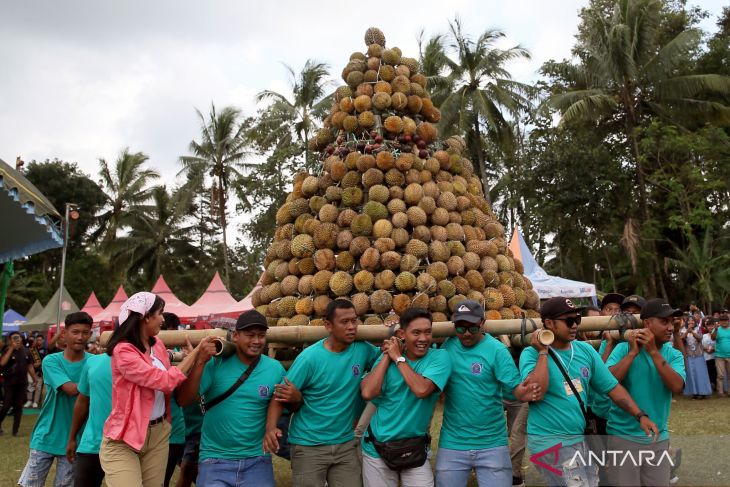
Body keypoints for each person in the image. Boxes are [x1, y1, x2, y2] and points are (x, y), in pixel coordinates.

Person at [520, 297, 658, 487]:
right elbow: (537, 392)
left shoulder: (585, 350)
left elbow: (613, 388)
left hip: (578, 439)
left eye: (577, 319)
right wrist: (543, 352)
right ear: (549, 323)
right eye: (569, 321)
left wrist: (640, 415)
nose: (575, 325)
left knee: (592, 482)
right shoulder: (531, 354)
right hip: (549, 444)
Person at [99, 292, 215, 487]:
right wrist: (195, 353)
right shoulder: (123, 350)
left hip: (159, 433)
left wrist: (191, 361)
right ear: (144, 317)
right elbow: (164, 381)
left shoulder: (158, 345)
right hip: (124, 439)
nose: (163, 319)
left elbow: (174, 384)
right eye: (160, 313)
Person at [264, 299, 379, 487]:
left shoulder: (362, 349)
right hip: (309, 445)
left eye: (354, 321)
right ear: (328, 325)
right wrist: (271, 428)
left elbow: (383, 356)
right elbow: (280, 395)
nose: (351, 327)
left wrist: (393, 328)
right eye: (344, 322)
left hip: (345, 444)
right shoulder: (310, 358)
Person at [436, 300, 539, 487]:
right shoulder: (446, 348)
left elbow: (515, 389)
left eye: (472, 328)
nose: (466, 333)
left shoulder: (497, 350)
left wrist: (524, 392)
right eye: (460, 328)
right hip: (453, 442)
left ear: (482, 323)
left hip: (492, 443)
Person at [177, 309, 285, 487]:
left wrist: (272, 426)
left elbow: (279, 400)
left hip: (257, 460)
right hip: (215, 460)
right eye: (250, 335)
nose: (257, 341)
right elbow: (184, 400)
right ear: (235, 336)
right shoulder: (215, 363)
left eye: (261, 335)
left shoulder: (275, 369)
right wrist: (200, 361)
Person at [360, 307, 452, 487]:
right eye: (416, 333)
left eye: (428, 332)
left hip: (415, 447)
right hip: (377, 447)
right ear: (402, 334)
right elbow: (368, 392)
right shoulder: (387, 358)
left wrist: (399, 359)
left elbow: (421, 390)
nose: (423, 339)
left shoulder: (439, 358)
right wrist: (388, 357)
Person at [606, 298, 686, 486]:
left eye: (671, 322)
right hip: (623, 437)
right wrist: (633, 354)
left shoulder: (674, 354)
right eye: (664, 321)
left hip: (658, 438)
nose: (669, 327)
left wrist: (653, 352)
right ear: (647, 323)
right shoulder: (623, 348)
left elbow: (677, 387)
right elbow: (608, 383)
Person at [18, 312, 93, 487]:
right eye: (75, 332)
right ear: (64, 333)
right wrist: (95, 375)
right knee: (30, 485)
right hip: (46, 435)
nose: (80, 337)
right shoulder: (51, 361)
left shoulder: (94, 362)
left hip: (76, 439)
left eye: (85, 332)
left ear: (90, 334)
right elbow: (71, 390)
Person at [66, 349, 112, 487]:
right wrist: (72, 438)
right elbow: (82, 401)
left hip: (127, 445)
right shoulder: (94, 362)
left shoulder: (144, 362)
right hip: (92, 445)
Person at [0, 331, 39, 436]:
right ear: (10, 340)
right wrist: (11, 348)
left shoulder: (26, 351)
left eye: (18, 337)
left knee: (18, 407)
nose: (17, 340)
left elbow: (29, 366)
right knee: (6, 406)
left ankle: (15, 431)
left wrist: (35, 379)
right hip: (9, 383)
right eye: (14, 338)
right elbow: (2, 363)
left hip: (22, 383)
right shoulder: (7, 350)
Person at [681, 316, 712, 399]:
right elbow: (681, 339)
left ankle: (703, 392)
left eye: (692, 321)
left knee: (700, 374)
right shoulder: (683, 330)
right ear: (687, 322)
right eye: (689, 321)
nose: (691, 322)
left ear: (695, 322)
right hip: (689, 355)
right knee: (691, 374)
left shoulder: (698, 329)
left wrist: (693, 332)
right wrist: (688, 331)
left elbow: (699, 338)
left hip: (698, 355)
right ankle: (694, 393)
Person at [711, 314, 730, 397]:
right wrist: (715, 329)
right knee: (720, 375)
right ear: (720, 322)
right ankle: (720, 392)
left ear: (728, 321)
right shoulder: (716, 329)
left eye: (726, 320)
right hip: (719, 356)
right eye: (722, 321)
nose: (724, 322)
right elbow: (713, 338)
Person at [25, 335, 45, 408]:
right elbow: (28, 360)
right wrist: (33, 364)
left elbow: (47, 359)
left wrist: (40, 363)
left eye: (40, 340)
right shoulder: (31, 349)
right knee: (29, 385)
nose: (38, 341)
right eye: (37, 340)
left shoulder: (45, 349)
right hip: (31, 371)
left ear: (43, 341)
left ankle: (35, 402)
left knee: (38, 387)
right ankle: (29, 400)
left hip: (40, 371)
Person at [702, 319, 717, 392]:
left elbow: (719, 344)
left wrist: (713, 350)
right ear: (706, 327)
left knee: (716, 372)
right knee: (709, 372)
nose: (710, 327)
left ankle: (716, 386)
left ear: (714, 326)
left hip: (715, 356)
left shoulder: (717, 335)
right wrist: (706, 349)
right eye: (709, 326)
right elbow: (701, 345)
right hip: (707, 357)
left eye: (712, 325)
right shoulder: (704, 336)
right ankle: (710, 386)